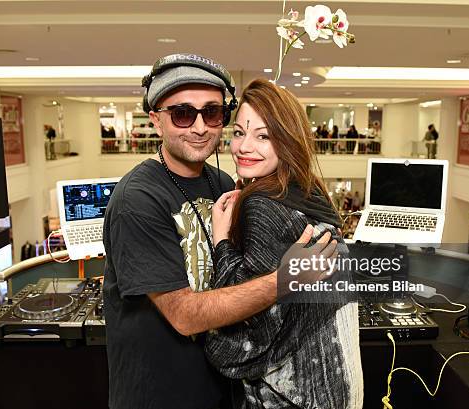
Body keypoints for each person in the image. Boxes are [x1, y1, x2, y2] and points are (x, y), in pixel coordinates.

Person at [102, 54, 335, 409]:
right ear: (156, 120)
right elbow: (184, 316)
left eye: (211, 113)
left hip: (222, 388)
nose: (199, 127)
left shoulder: (222, 182)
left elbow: (237, 276)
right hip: (159, 397)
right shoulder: (137, 198)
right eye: (183, 113)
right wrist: (282, 281)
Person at [205, 79, 363, 408]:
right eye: (238, 133)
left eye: (263, 136)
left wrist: (221, 241)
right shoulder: (310, 191)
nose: (244, 147)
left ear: (287, 141)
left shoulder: (262, 205)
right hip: (340, 389)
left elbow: (243, 327)